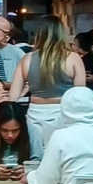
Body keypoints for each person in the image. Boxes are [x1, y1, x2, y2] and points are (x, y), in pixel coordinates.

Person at [9, 15, 85, 146]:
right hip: (63, 114)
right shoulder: (73, 58)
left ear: (39, 34)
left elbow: (12, 97)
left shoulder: (27, 59)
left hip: (34, 115)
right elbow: (80, 97)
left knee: (37, 155)